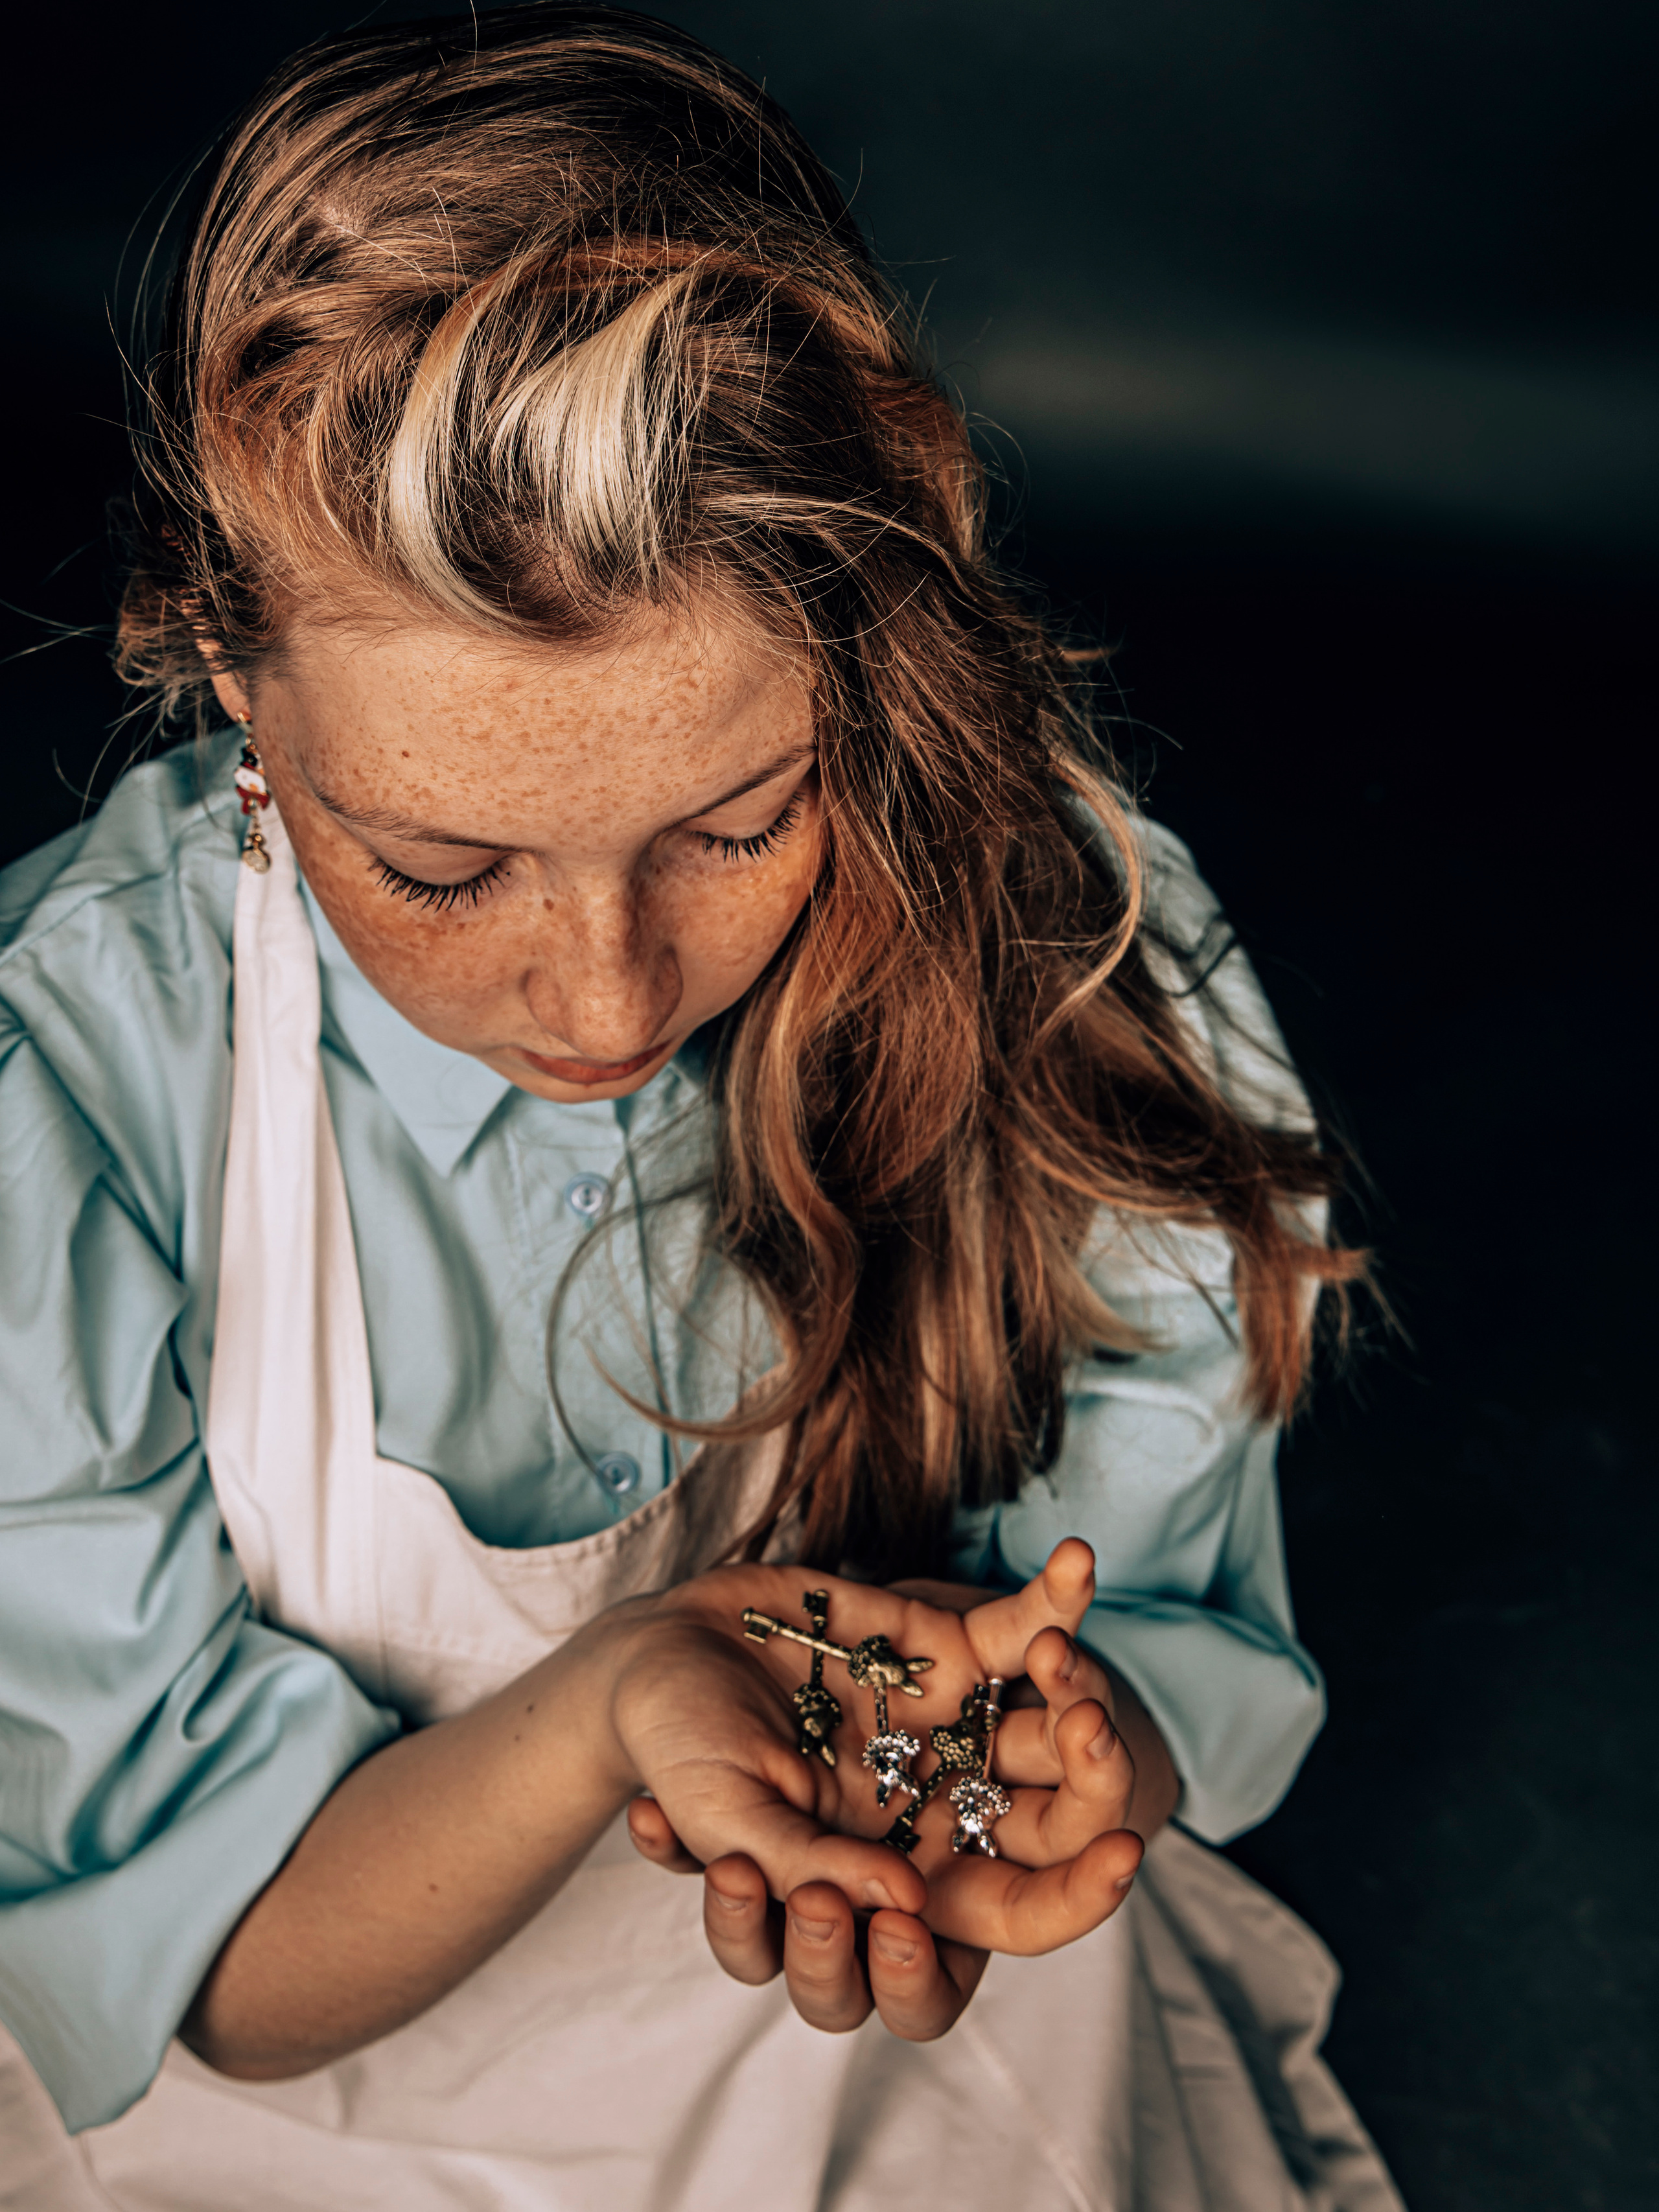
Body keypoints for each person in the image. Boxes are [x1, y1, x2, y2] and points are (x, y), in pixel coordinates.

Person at [0, 7, 1406, 2206]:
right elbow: (219, 1970)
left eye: (739, 822)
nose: (604, 990)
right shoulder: (59, 1094)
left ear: (870, 663)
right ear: (226, 680)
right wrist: (627, 1693)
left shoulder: (1066, 932)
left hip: (887, 2028)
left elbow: (1140, 1640)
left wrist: (1038, 1759)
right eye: (441, 869)